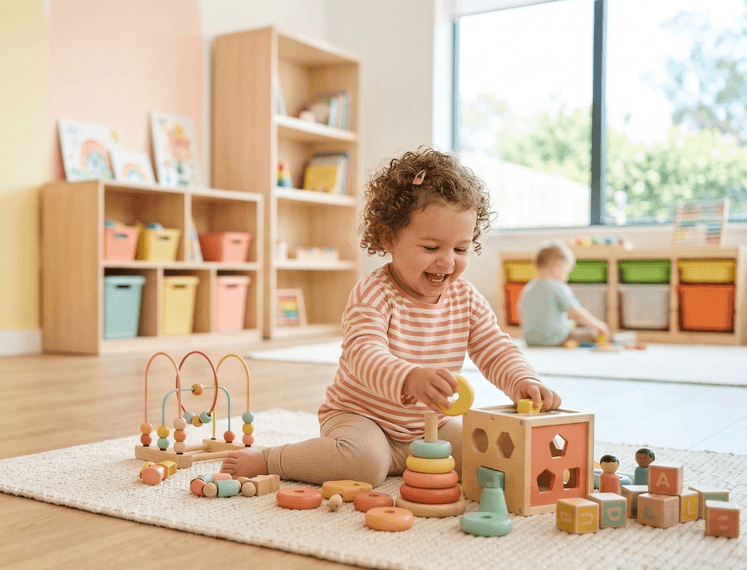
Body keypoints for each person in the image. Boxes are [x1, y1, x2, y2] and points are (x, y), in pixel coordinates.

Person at [221, 147, 561, 486]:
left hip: (430, 425)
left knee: (489, 451)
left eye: (460, 249)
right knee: (364, 466)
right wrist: (409, 378)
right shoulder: (374, 294)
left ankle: (401, 461)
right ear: (389, 238)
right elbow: (363, 354)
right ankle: (270, 458)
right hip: (361, 418)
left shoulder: (466, 298)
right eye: (431, 248)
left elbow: (495, 347)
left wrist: (522, 381)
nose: (447, 261)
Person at [518, 240, 610, 347]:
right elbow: (577, 313)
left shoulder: (528, 287)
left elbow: (522, 312)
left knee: (570, 324)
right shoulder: (558, 287)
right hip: (556, 339)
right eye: (566, 272)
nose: (566, 277)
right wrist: (599, 325)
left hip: (530, 339)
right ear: (557, 267)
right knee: (592, 333)